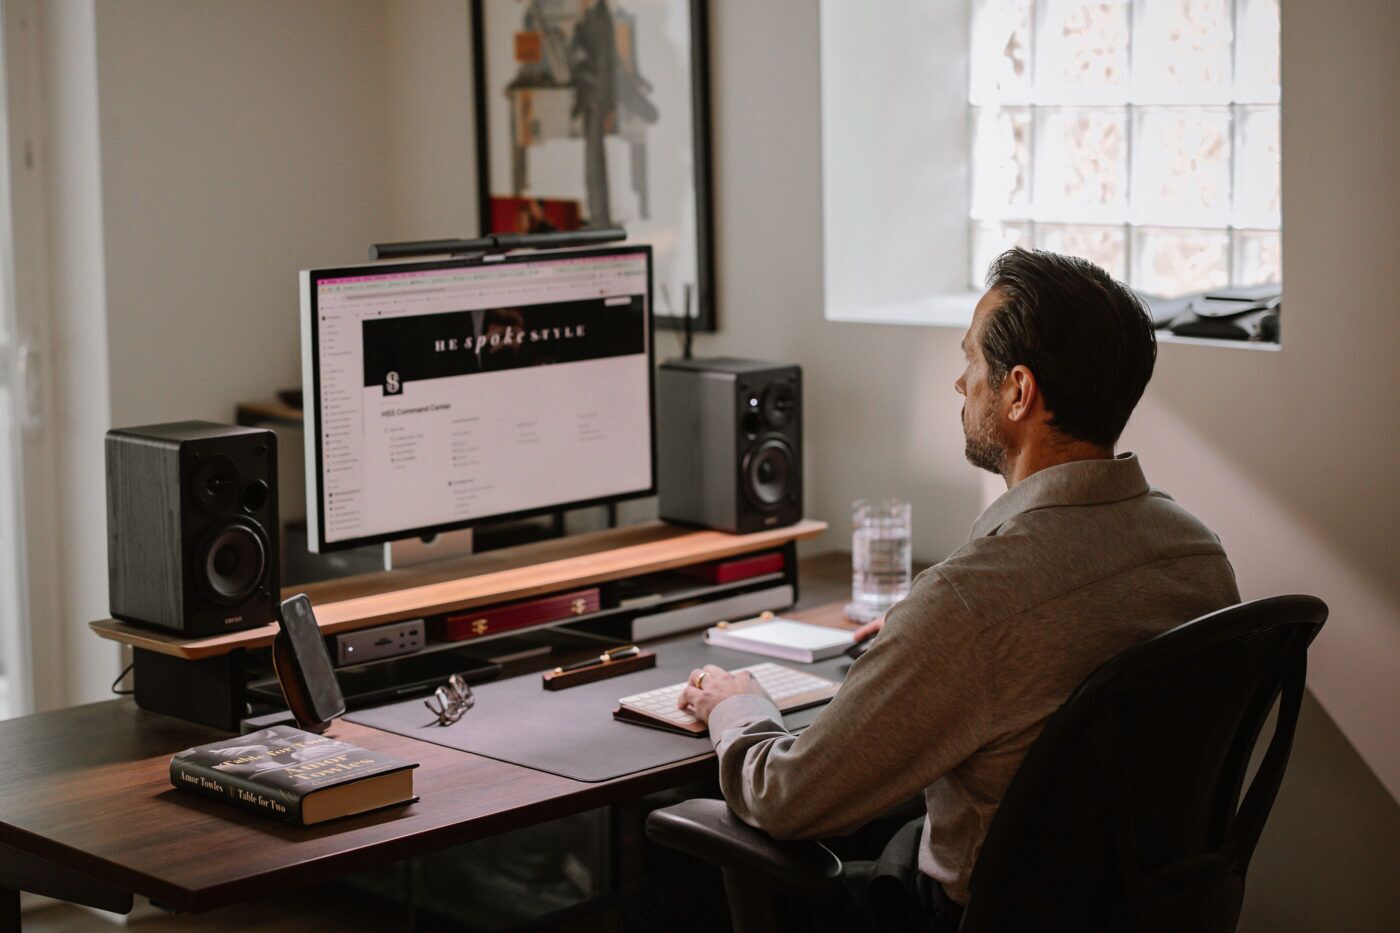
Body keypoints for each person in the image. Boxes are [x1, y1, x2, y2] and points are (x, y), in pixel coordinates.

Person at [675, 247, 1241, 931]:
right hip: (1138, 911)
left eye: (971, 359)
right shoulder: (1197, 552)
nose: (958, 382)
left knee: (673, 884)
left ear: (1018, 391)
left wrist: (739, 707)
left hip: (962, 918)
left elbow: (787, 798)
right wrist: (921, 643)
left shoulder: (973, 602)